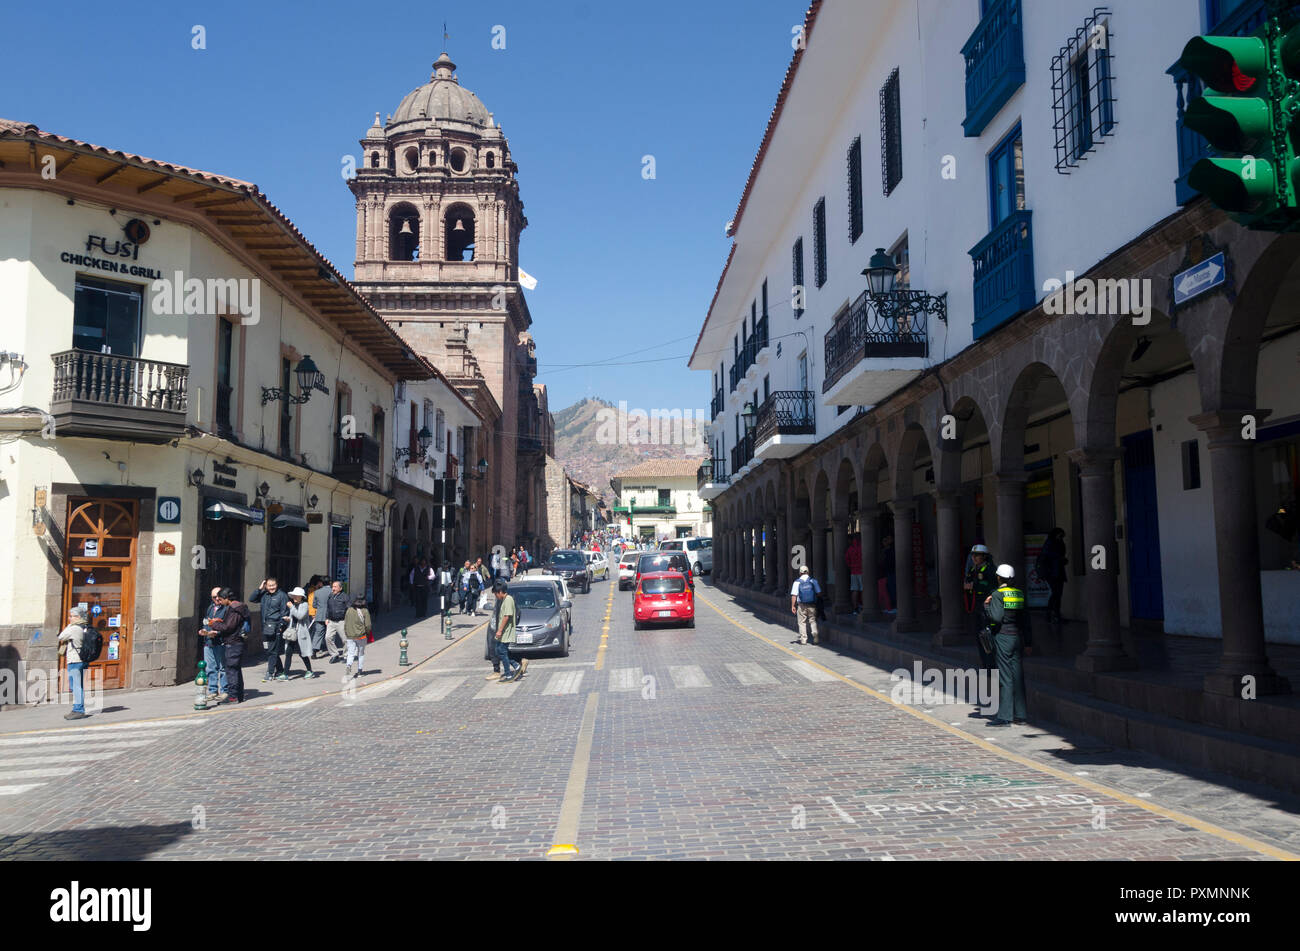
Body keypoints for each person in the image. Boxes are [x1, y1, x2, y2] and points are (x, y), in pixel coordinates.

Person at [984, 564, 1032, 726]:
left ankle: (1005, 716)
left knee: (1005, 677)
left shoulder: (997, 595)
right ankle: (1021, 714)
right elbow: (1026, 620)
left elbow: (996, 618)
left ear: (998, 577)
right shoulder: (1019, 593)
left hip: (1003, 637)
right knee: (1017, 676)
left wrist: (987, 606)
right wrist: (1029, 641)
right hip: (1017, 637)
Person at [210, 589, 250, 703]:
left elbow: (228, 627)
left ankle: (233, 697)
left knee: (231, 670)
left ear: (227, 598)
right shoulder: (238, 608)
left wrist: (214, 624)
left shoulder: (234, 609)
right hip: (237, 642)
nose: (220, 602)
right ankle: (239, 695)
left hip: (233, 643)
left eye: (221, 599)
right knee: (236, 669)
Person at [249, 577, 289, 683]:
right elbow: (252, 599)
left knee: (272, 650)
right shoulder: (264, 595)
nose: (271, 587)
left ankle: (270, 673)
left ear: (277, 584)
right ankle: (280, 670)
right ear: (266, 586)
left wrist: (281, 626)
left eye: (273, 585)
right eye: (269, 585)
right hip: (265, 627)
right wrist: (260, 588)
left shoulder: (282, 596)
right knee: (269, 650)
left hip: (275, 627)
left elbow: (285, 612)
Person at [964, 544, 997, 670]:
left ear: (984, 556)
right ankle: (985, 664)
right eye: (973, 555)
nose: (974, 558)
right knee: (979, 637)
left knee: (987, 636)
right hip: (976, 606)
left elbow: (993, 588)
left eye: (977, 555)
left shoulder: (990, 569)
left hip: (987, 606)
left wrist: (974, 586)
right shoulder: (973, 569)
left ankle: (991, 665)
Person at [58, 605, 91, 720]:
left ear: (78, 617)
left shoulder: (74, 628)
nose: (70, 619)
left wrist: (69, 625)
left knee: (75, 685)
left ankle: (78, 710)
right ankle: (78, 708)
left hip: (75, 660)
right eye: (70, 616)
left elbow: (61, 636)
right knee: (78, 685)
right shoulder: (86, 626)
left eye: (72, 616)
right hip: (83, 660)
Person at [280, 587, 318, 679]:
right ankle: (285, 674)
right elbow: (293, 617)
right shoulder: (294, 605)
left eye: (296, 596)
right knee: (288, 653)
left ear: (301, 597)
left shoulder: (304, 605)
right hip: (292, 633)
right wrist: (288, 619)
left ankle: (309, 671)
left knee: (302, 653)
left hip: (301, 633)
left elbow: (300, 616)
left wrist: (291, 607)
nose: (294, 597)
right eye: (293, 595)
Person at [491, 579, 522, 682]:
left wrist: (500, 630)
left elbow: (506, 616)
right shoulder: (504, 600)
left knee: (502, 652)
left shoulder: (508, 599)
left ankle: (509, 675)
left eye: (496, 594)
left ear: (500, 592)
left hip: (506, 631)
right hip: (502, 631)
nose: (496, 596)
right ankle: (516, 665)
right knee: (498, 650)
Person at [1037, 528, 1068, 629]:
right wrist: (1059, 559)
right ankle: (1052, 614)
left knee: (1058, 594)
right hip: (1051, 573)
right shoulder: (1050, 543)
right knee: (1056, 593)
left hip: (1058, 572)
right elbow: (1047, 557)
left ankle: (1055, 614)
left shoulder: (1058, 542)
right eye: (1060, 535)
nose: (1061, 537)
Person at [201, 586, 228, 703]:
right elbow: (206, 621)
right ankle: (212, 690)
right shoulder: (210, 608)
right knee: (210, 668)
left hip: (221, 642)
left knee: (222, 668)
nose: (216, 599)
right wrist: (204, 630)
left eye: (218, 596)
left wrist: (217, 632)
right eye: (214, 597)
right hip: (209, 641)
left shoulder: (227, 609)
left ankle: (225, 691)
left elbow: (228, 625)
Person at [789, 565, 822, 646]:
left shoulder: (797, 582)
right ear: (808, 572)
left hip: (801, 605)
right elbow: (819, 593)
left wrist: (793, 606)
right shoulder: (813, 581)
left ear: (800, 573)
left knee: (802, 622)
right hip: (812, 604)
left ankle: (803, 639)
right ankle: (815, 635)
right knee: (812, 620)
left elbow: (794, 595)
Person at [343, 594, 372, 679]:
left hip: (350, 635)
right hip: (361, 636)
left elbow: (345, 623)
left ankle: (348, 665)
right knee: (361, 653)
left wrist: (346, 632)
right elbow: (368, 625)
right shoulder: (365, 611)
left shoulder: (349, 610)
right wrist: (367, 634)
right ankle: (359, 671)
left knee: (350, 653)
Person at [324, 580, 349, 662]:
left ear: (340, 588)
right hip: (331, 621)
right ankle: (334, 654)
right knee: (328, 638)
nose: (333, 588)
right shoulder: (330, 596)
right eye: (333, 586)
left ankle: (346, 655)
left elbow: (349, 609)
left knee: (345, 639)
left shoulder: (345, 597)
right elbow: (328, 608)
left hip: (341, 621)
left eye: (335, 587)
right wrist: (327, 618)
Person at [309, 576, 330, 659]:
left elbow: (314, 605)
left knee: (318, 633)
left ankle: (314, 652)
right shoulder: (332, 591)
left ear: (322, 583)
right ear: (330, 582)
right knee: (331, 634)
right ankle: (332, 651)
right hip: (330, 616)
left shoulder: (317, 592)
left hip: (319, 615)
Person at [879, 533, 897, 613]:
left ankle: (894, 606)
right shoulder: (885, 550)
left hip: (893, 571)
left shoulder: (893, 549)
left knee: (892, 589)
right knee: (888, 589)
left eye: (889, 539)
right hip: (887, 572)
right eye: (885, 540)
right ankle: (891, 606)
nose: (886, 541)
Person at [846, 533, 863, 613]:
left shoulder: (850, 549)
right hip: (862, 571)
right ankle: (865, 606)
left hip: (853, 571)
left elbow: (847, 560)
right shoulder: (861, 547)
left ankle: (855, 608)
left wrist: (852, 567)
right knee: (864, 590)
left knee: (854, 590)